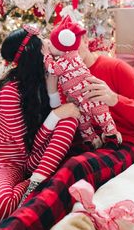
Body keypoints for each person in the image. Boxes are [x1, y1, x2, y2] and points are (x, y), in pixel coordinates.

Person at [0, 32, 134, 230]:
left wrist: (114, 99)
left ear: (86, 42)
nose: (68, 50)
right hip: (51, 151)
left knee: (74, 165)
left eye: (73, 43)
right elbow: (48, 124)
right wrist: (56, 112)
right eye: (58, 46)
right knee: (66, 155)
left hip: (121, 142)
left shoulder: (115, 68)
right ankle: (36, 192)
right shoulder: (55, 76)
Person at [0, 24, 80, 221]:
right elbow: (25, 148)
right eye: (41, 42)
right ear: (33, 52)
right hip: (11, 160)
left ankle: (37, 181)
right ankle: (36, 184)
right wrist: (55, 116)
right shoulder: (10, 92)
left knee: (69, 119)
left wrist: (53, 93)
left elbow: (61, 116)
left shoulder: (49, 75)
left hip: (39, 160)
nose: (47, 45)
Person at [44, 15, 121, 149]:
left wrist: (46, 55)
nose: (51, 48)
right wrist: (52, 91)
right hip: (78, 102)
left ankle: (111, 136)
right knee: (84, 121)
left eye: (53, 45)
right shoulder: (67, 62)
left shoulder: (65, 61)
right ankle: (91, 140)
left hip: (90, 98)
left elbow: (53, 68)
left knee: (100, 115)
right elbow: (58, 108)